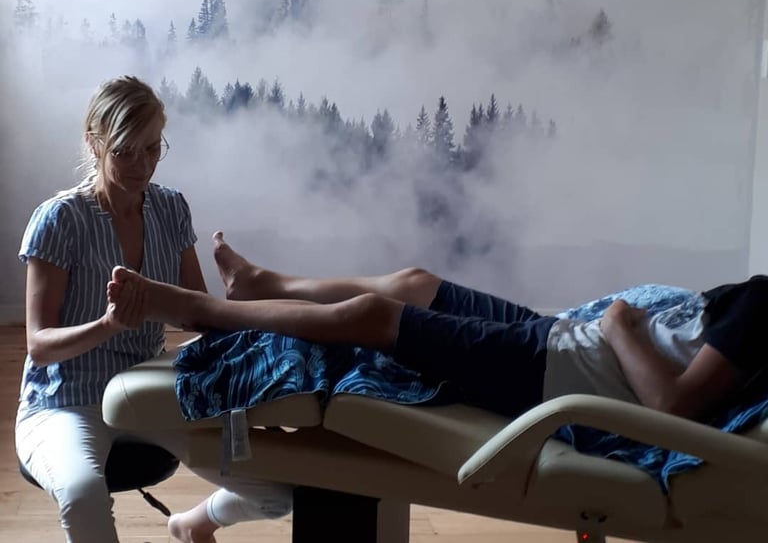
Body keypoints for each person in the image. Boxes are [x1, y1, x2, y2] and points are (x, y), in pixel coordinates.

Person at [113, 232, 768, 542]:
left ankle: (203, 311)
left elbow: (674, 406)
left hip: (551, 368)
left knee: (370, 317)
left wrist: (622, 323)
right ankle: (265, 284)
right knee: (417, 284)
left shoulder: (766, 306)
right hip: (563, 339)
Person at [15, 76, 291, 543]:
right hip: (65, 400)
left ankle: (193, 524)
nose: (142, 165)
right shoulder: (59, 218)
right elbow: (39, 347)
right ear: (95, 143)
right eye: (125, 151)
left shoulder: (170, 208)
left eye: (152, 148)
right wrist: (108, 325)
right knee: (82, 495)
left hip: (145, 392)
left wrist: (236, 310)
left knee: (278, 490)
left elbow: (196, 312)